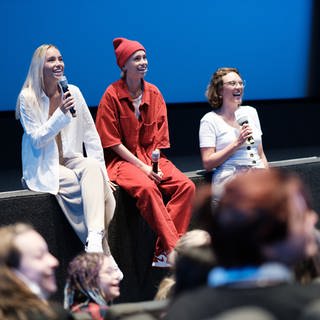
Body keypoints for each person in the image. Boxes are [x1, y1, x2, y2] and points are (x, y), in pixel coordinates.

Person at [16, 44, 120, 272]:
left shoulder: (72, 91)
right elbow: (36, 139)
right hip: (44, 165)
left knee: (93, 168)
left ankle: (93, 239)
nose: (58, 64)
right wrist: (61, 115)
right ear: (39, 67)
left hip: (70, 158)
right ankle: (104, 254)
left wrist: (103, 173)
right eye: (51, 60)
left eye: (60, 59)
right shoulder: (28, 97)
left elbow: (90, 136)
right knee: (75, 184)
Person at [165, 168, 320, 320]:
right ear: (266, 234)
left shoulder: (184, 310)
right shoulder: (312, 303)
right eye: (301, 216)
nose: (313, 218)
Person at [95, 37, 196, 267]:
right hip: (121, 161)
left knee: (186, 186)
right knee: (148, 187)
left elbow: (160, 139)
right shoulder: (111, 95)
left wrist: (154, 165)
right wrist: (143, 168)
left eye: (144, 57)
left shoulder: (154, 93)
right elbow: (112, 143)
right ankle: (174, 248)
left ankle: (162, 252)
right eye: (136, 58)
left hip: (152, 157)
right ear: (124, 65)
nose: (143, 62)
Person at [199, 67, 268, 200]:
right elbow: (207, 163)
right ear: (220, 90)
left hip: (257, 179)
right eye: (232, 83)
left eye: (241, 83)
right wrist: (237, 143)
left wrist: (267, 179)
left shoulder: (251, 112)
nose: (238, 87)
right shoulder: (210, 119)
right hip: (230, 182)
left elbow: (260, 154)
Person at [0, 223, 72, 319]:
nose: (54, 261)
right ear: (10, 271)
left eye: (48, 252)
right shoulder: (53, 316)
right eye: (39, 256)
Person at [64, 252, 122, 320]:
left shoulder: (75, 311)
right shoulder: (97, 312)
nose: (117, 276)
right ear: (89, 281)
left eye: (114, 271)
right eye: (108, 272)